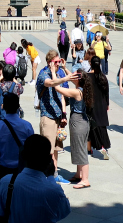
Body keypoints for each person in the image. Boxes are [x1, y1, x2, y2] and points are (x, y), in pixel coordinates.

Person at [0, 135, 72, 223]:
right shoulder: (54, 190)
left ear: (23, 155)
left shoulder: (6, 182)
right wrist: (51, 177)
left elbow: (1, 210)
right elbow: (63, 212)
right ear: (49, 160)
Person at [36, 50, 76, 184]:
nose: (58, 64)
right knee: (48, 150)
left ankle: (55, 173)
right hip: (48, 117)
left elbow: (62, 96)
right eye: (56, 62)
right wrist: (65, 78)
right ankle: (48, 176)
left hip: (58, 117)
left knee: (56, 149)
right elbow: (51, 83)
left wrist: (64, 114)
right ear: (49, 63)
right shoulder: (43, 74)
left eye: (59, 61)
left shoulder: (58, 73)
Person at [55, 66, 91, 188]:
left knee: (81, 150)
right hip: (81, 121)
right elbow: (71, 78)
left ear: (78, 79)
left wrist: (53, 76)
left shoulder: (77, 92)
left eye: (75, 75)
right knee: (77, 147)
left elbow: (58, 89)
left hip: (79, 122)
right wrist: (64, 68)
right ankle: (78, 174)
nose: (72, 76)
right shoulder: (82, 88)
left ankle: (85, 179)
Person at [0, 93, 34, 185]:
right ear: (18, 106)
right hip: (22, 170)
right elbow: (32, 150)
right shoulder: (27, 126)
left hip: (3, 170)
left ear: (3, 107)